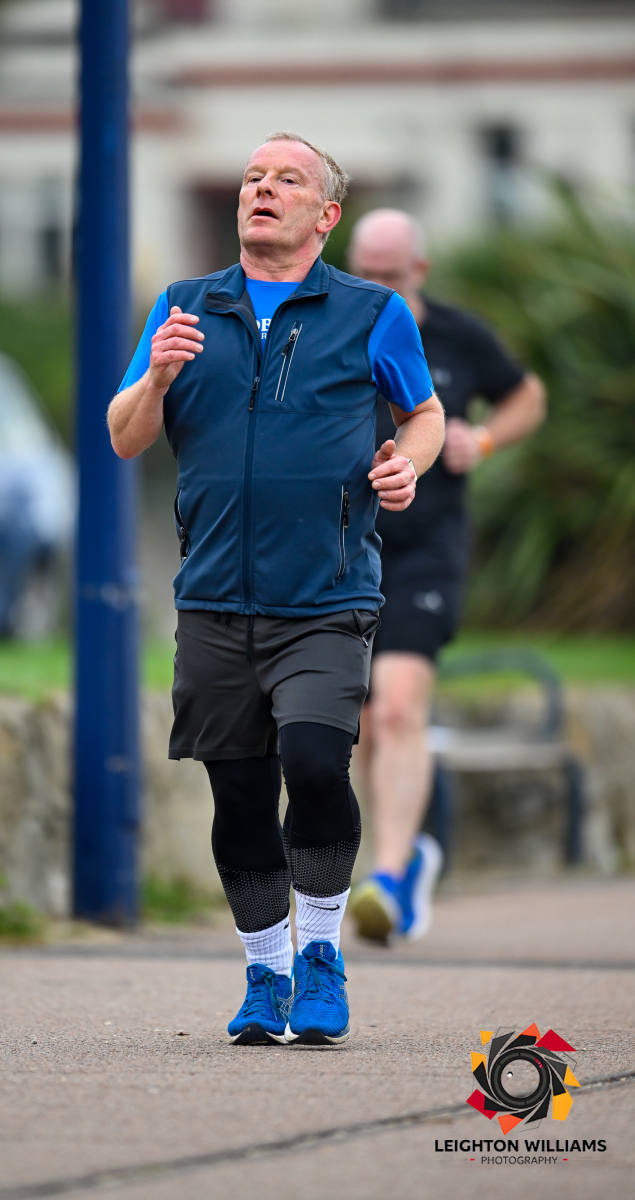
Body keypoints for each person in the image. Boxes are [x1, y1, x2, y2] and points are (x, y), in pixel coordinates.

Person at [108, 134, 445, 1046]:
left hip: (327, 595)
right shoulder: (184, 306)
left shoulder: (372, 312)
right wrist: (160, 374)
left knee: (315, 762)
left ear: (325, 214)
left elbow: (423, 413)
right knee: (242, 798)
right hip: (213, 596)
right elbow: (125, 434)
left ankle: (322, 954)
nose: (262, 188)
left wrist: (407, 464)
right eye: (254, 177)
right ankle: (266, 974)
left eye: (286, 179)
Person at [347, 210, 546, 944]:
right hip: (346, 549)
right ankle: (410, 854)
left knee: (399, 707)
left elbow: (527, 395)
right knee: (365, 723)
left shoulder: (460, 335)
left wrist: (483, 438)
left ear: (419, 272)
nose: (377, 286)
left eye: (390, 275)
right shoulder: (334, 328)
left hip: (427, 550)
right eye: (365, 272)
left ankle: (389, 878)